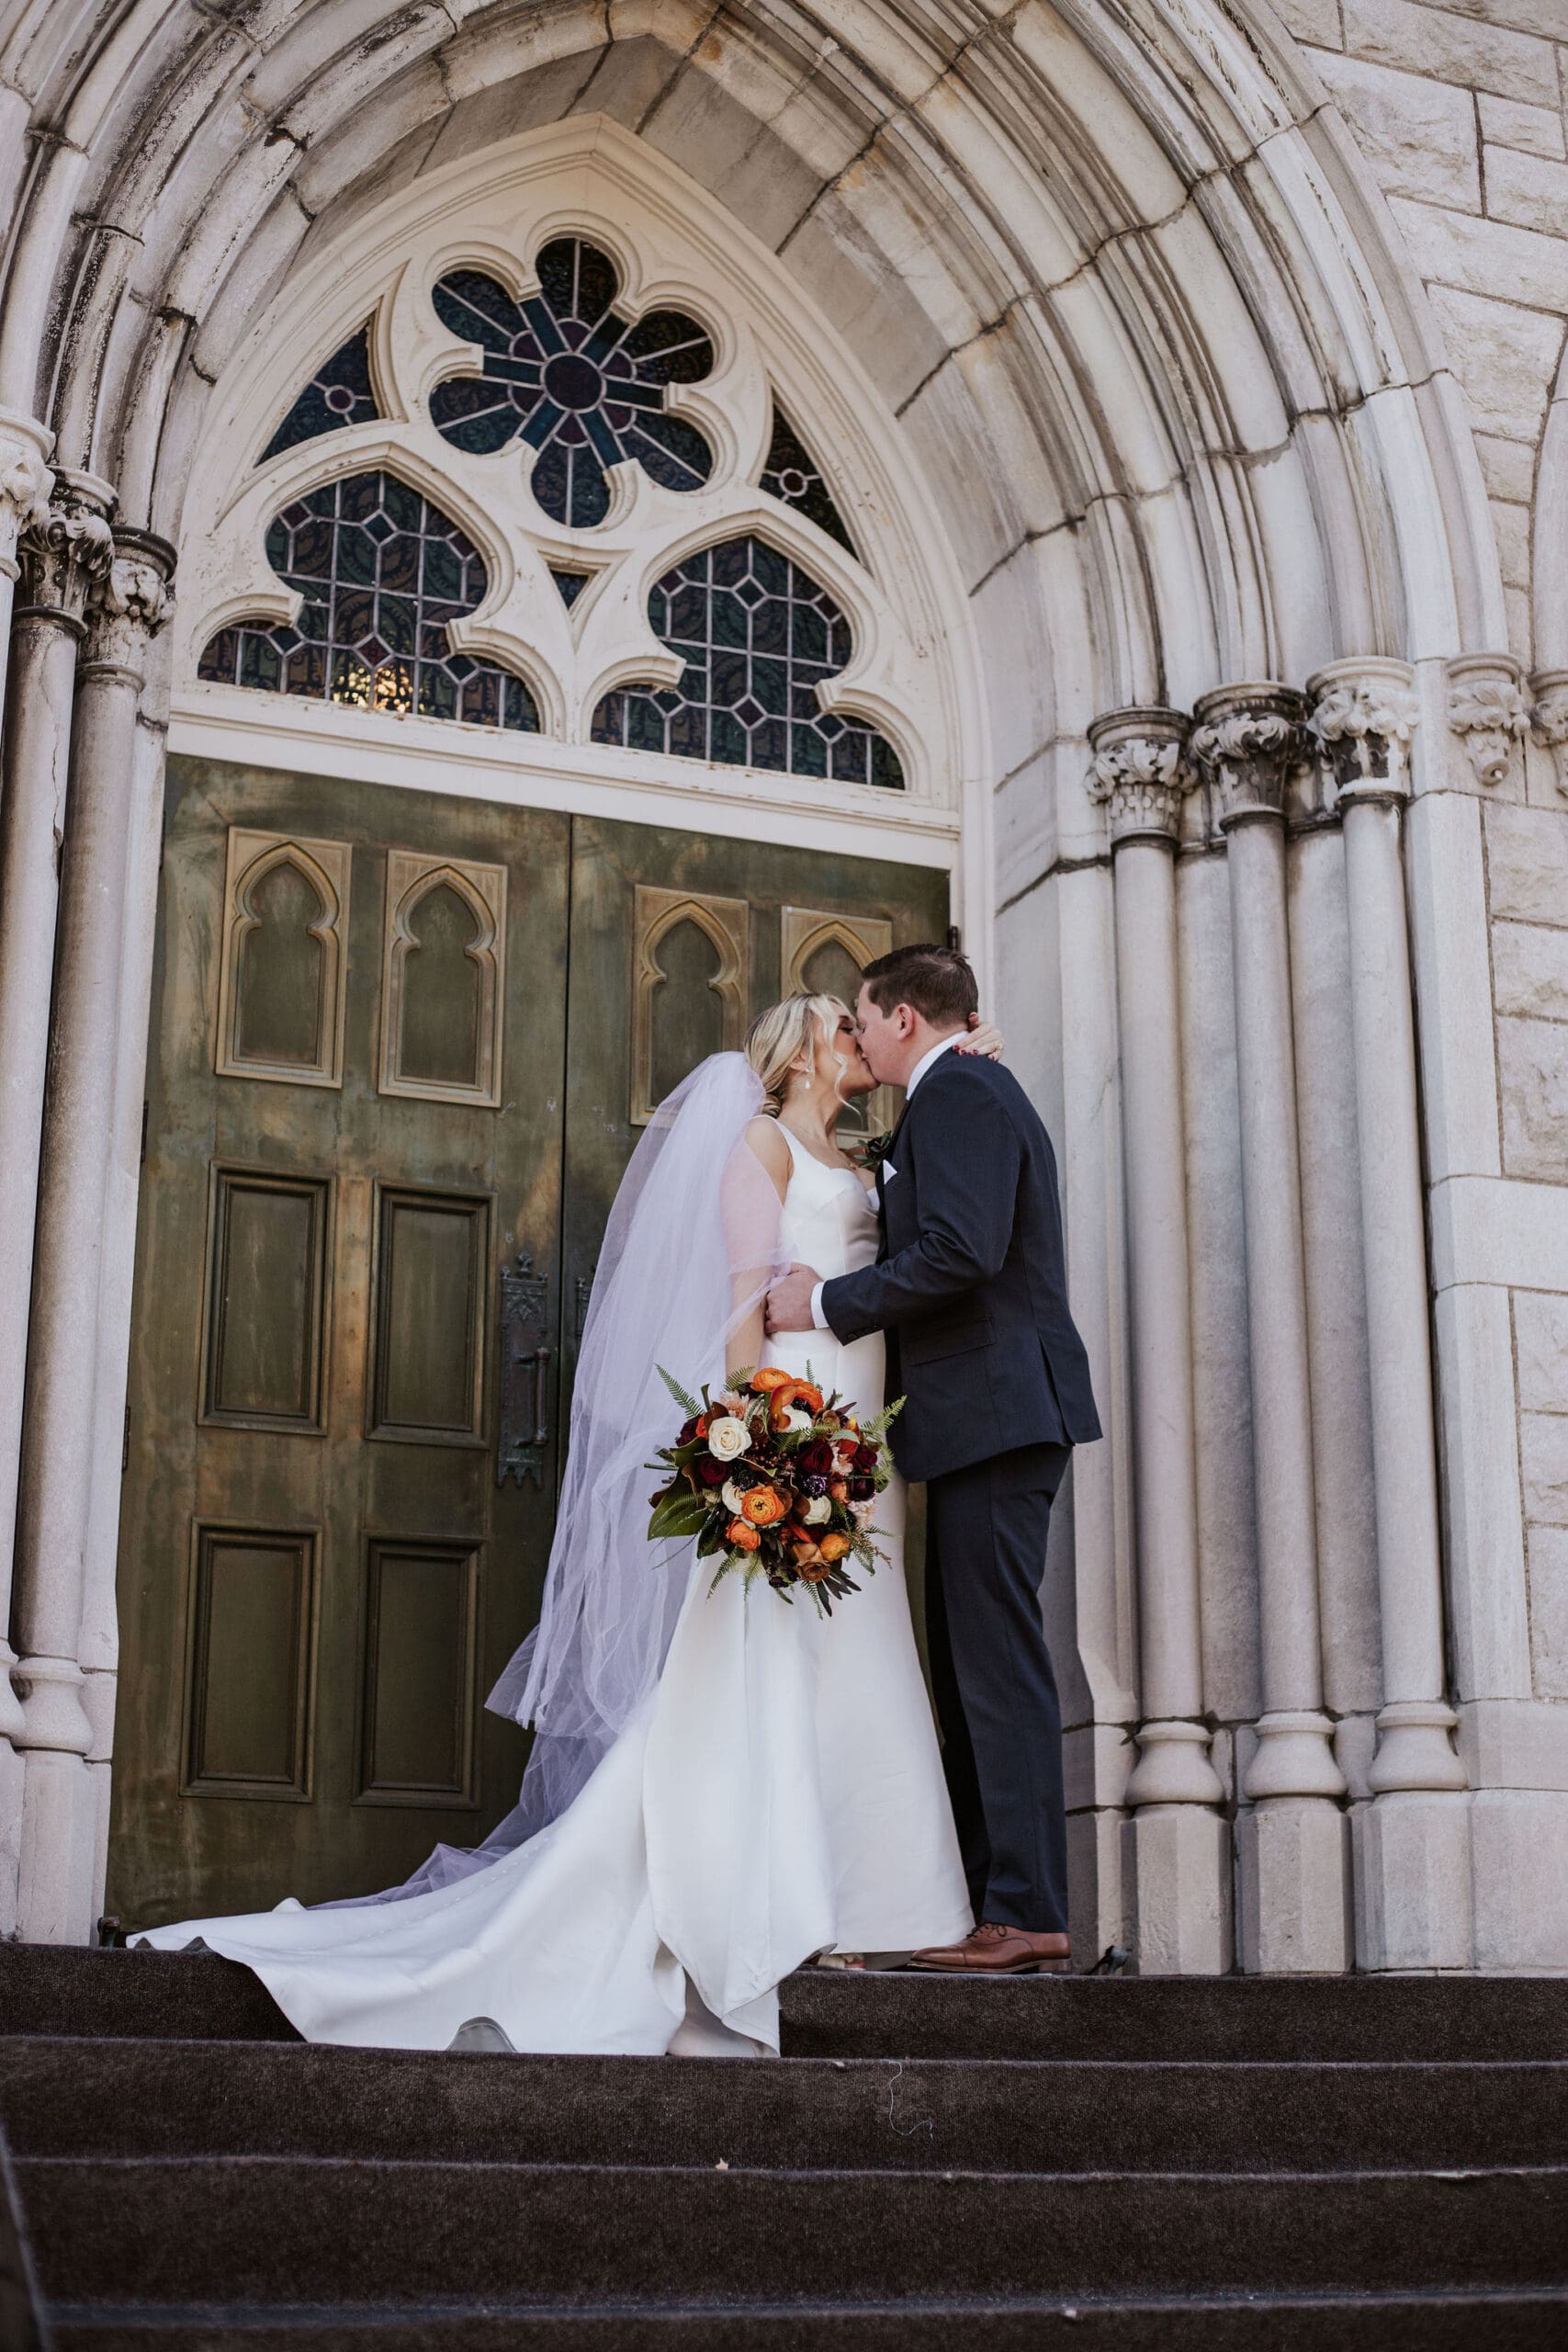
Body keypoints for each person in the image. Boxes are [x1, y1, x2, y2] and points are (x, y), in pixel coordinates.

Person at [131, 994, 1002, 2054]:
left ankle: (873, 1907)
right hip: (795, 1438)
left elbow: (929, 1219)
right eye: (839, 1022)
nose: (858, 1037)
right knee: (764, 1669)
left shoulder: (870, 1158)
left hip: (866, 1454)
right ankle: (756, 1898)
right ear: (802, 1051)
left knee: (861, 1657)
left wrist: (962, 1066)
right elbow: (740, 1308)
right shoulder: (759, 1147)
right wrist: (762, 1445)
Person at [766, 944, 1101, 1975]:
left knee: (996, 1663)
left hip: (998, 1417)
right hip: (981, 1420)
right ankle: (998, 1900)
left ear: (904, 1020)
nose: (859, 1038)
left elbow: (960, 1249)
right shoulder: (957, 1091)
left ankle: (1026, 1909)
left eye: (866, 1019)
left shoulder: (961, 1093)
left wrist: (822, 1302)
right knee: (975, 1663)